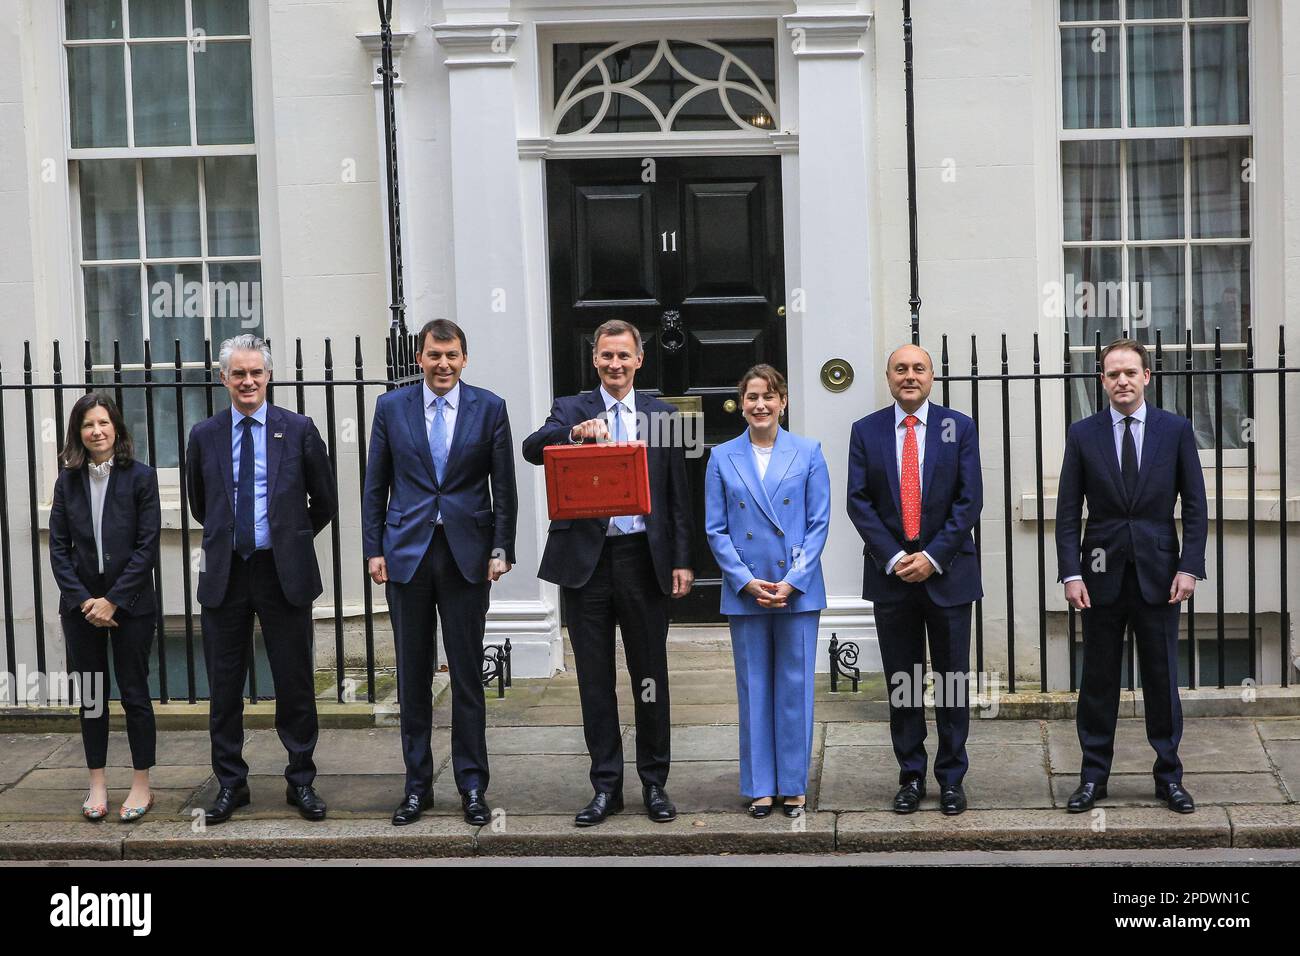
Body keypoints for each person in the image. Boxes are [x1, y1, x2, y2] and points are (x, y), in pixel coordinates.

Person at [522, 319, 694, 827]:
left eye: (623, 356)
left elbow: (678, 496)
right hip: (587, 566)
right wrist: (572, 434)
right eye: (605, 356)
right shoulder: (572, 408)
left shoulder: (662, 414)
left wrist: (683, 560)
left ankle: (655, 784)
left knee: (650, 678)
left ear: (639, 360)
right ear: (594, 360)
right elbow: (533, 448)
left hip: (644, 561)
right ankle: (606, 787)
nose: (614, 365)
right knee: (594, 682)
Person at [363, 318, 518, 827]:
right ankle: (416, 787)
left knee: (469, 677)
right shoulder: (391, 408)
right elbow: (375, 484)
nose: (443, 364)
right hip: (407, 553)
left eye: (452, 356)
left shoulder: (490, 408)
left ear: (464, 359)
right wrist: (374, 549)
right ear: (419, 359)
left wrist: (502, 548)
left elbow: (504, 487)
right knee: (412, 678)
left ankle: (472, 785)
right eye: (434, 355)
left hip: (466, 555)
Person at [186, 334, 337, 824]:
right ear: (223, 378)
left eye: (256, 373)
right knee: (224, 685)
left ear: (268, 376)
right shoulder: (203, 435)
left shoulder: (298, 430)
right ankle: (231, 783)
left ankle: (300, 779)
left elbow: (325, 501)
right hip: (226, 573)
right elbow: (200, 505)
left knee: (294, 681)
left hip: (282, 572)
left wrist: (288, 536)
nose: (247, 381)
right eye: (238, 373)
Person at [1056, 338, 1207, 814]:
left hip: (1160, 577)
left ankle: (1169, 777)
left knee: (1162, 680)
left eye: (1130, 372)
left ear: (1147, 377)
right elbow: (1066, 514)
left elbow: (1197, 508)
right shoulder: (1083, 434)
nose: (1121, 380)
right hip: (1099, 578)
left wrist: (1189, 566)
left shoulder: (1175, 430)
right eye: (1112, 373)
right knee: (1097, 681)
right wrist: (1070, 575)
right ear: (1102, 381)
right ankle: (1092, 777)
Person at [846, 343, 983, 815]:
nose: (909, 376)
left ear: (931, 377)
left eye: (918, 368)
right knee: (902, 681)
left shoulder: (957, 427)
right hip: (892, 579)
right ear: (888, 378)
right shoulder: (866, 431)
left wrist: (932, 556)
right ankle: (910, 776)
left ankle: (951, 778)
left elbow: (970, 501)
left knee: (950, 682)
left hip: (947, 577)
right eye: (900, 369)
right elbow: (858, 502)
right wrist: (893, 558)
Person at [705, 365, 829, 818]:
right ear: (742, 403)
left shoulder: (809, 451)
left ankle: (793, 785)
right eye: (752, 396)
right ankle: (759, 786)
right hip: (747, 589)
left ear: (783, 403)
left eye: (769, 396)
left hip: (798, 589)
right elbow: (715, 530)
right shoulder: (722, 456)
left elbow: (818, 523)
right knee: (754, 687)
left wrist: (793, 580)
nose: (760, 404)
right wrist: (745, 579)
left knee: (795, 687)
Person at [48, 393, 161, 822]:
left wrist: (113, 600)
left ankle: (141, 784)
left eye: (103, 423)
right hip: (81, 608)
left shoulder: (141, 477)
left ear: (116, 427)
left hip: (130, 605)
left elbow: (146, 545)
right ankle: (96, 783)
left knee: (135, 694)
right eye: (87, 425)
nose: (97, 431)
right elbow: (58, 549)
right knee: (92, 697)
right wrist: (85, 602)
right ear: (78, 432)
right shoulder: (67, 480)